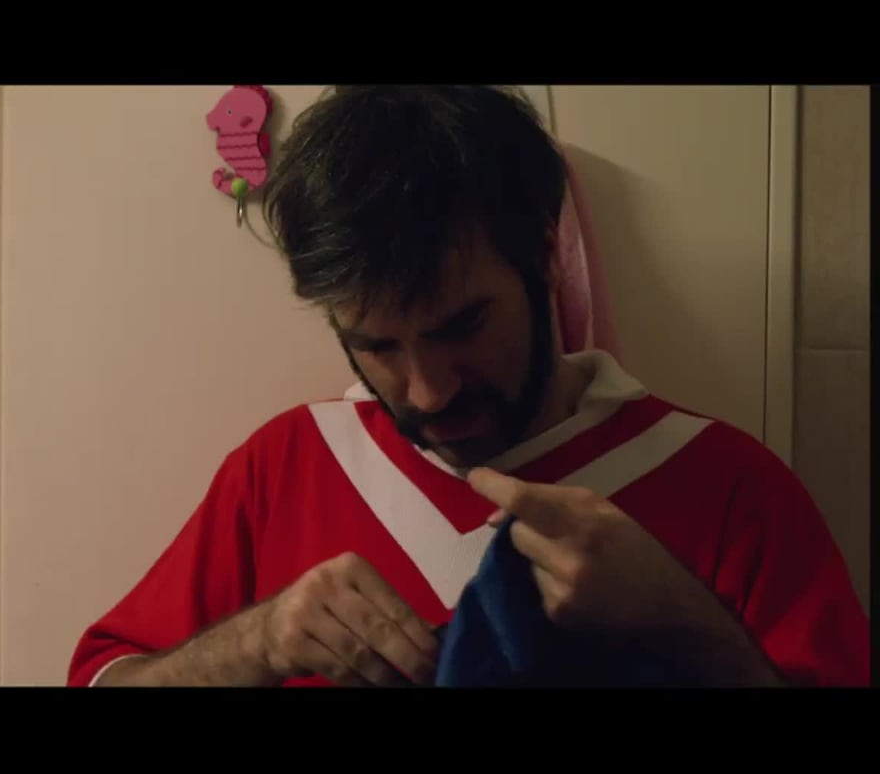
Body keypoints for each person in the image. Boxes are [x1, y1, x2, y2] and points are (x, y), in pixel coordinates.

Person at [67, 85, 871, 688]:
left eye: (463, 326)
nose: (427, 393)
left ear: (545, 256)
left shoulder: (734, 490)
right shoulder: (284, 467)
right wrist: (260, 640)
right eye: (377, 346)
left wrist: (686, 627)